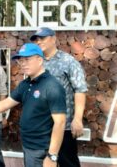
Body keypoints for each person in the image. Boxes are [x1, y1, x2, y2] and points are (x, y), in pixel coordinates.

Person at [0, 43, 66, 167]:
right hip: (28, 145)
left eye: (27, 59)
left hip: (42, 149)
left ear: (40, 60)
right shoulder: (26, 84)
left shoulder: (52, 86)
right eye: (21, 60)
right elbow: (6, 103)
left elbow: (60, 123)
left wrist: (52, 156)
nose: (23, 64)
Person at [30, 27, 88, 167]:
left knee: (68, 162)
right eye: (36, 39)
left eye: (42, 38)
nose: (39, 41)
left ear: (54, 38)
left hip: (63, 126)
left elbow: (80, 89)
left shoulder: (68, 61)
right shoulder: (36, 62)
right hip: (41, 126)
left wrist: (78, 119)